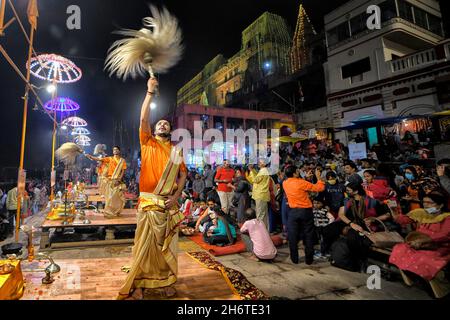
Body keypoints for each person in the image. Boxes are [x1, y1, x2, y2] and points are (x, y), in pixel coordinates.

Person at [117, 77, 187, 300]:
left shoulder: (176, 151)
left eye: (166, 123)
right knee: (145, 246)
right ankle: (139, 282)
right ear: (153, 130)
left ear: (171, 129)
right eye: (159, 124)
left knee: (165, 246)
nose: (162, 124)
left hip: (167, 205)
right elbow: (143, 117)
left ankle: (165, 279)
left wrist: (176, 196)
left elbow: (183, 174)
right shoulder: (147, 141)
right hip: (148, 202)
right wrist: (149, 92)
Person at [389, 192, 450, 298]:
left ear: (441, 205)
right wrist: (394, 211)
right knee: (400, 249)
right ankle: (417, 280)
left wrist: (424, 241)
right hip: (419, 245)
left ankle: (440, 290)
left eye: (430, 203)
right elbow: (401, 220)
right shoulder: (421, 213)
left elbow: (444, 235)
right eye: (424, 202)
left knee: (421, 258)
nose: (426, 205)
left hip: (438, 247)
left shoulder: (447, 218)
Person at [322, 182, 391, 272]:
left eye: (348, 190)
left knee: (353, 238)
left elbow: (387, 215)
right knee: (328, 230)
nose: (346, 191)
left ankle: (357, 262)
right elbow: (341, 214)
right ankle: (333, 253)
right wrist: (351, 224)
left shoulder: (370, 201)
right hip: (349, 222)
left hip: (364, 224)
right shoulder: (346, 200)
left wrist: (373, 219)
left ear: (356, 191)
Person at [283, 165, 325, 265]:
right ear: (294, 173)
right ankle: (309, 260)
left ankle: (295, 259)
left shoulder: (285, 183)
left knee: (292, 235)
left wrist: (306, 178)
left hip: (293, 212)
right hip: (305, 211)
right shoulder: (301, 182)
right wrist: (318, 177)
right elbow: (320, 188)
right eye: (297, 171)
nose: (299, 172)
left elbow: (297, 185)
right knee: (309, 235)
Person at [86, 146, 127, 218]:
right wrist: (91, 157)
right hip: (110, 181)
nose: (115, 151)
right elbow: (99, 159)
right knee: (109, 198)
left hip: (117, 181)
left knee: (117, 198)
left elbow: (123, 171)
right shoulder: (109, 159)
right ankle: (109, 212)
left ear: (119, 151)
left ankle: (116, 211)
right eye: (114, 149)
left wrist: (119, 179)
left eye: (116, 149)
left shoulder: (122, 161)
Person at [252, 158, 271, 230]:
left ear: (264, 163)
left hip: (260, 194)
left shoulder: (263, 171)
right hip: (262, 194)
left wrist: (251, 170)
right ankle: (265, 230)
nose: (259, 163)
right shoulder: (263, 171)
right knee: (264, 214)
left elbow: (254, 180)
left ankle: (261, 232)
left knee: (260, 214)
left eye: (261, 162)